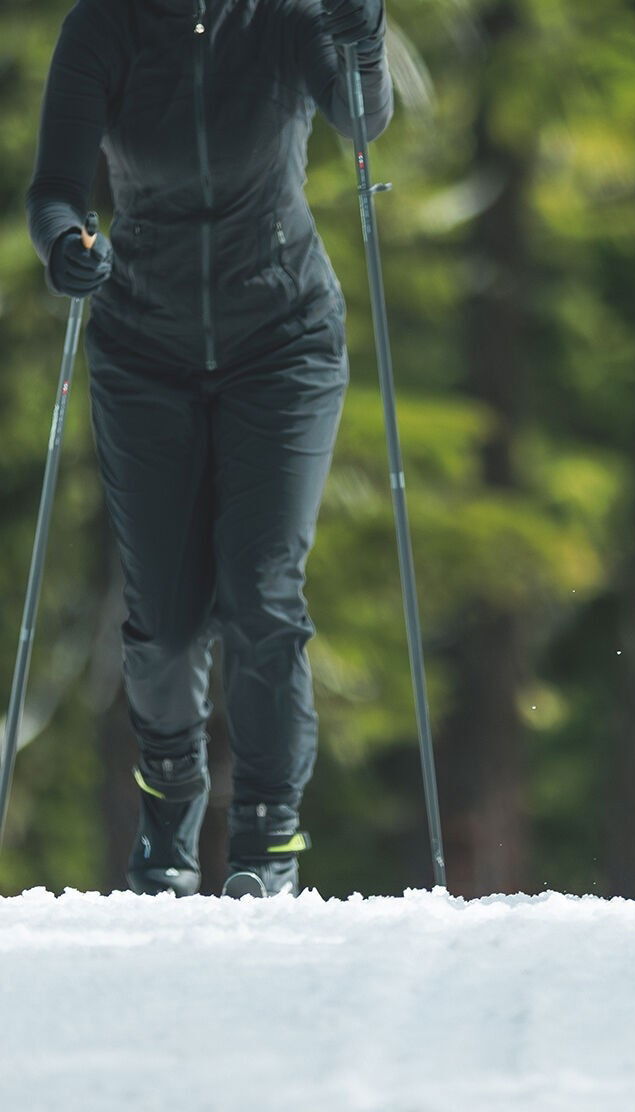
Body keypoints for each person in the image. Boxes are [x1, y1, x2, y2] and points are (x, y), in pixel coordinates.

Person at [26, 0, 393, 897]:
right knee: (164, 622)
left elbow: (360, 117)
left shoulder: (283, 17)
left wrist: (364, 36)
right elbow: (57, 190)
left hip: (284, 338)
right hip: (142, 347)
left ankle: (270, 844)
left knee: (263, 593)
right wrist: (66, 244)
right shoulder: (102, 27)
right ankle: (170, 820)